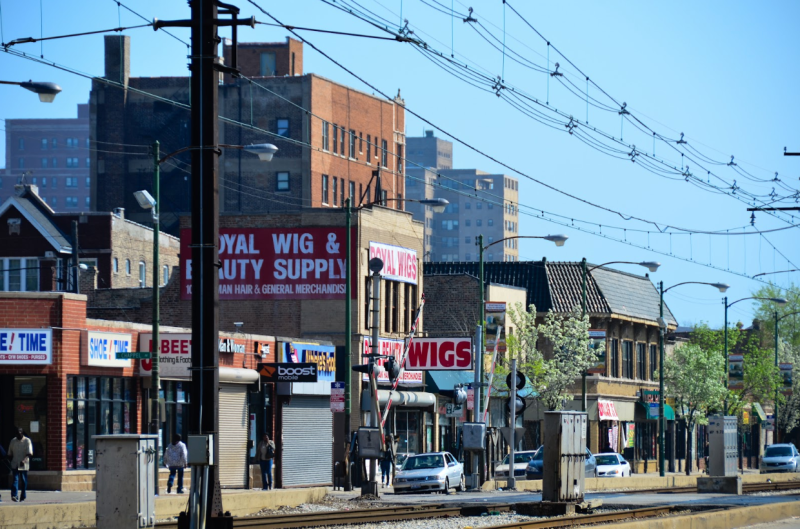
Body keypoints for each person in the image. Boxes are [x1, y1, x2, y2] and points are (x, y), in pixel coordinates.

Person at [8, 428, 33, 502]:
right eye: (17, 434)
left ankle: (23, 495)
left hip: (23, 464)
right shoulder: (13, 441)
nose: (18, 435)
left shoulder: (27, 441)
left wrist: (24, 460)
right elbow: (10, 453)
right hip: (15, 463)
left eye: (19, 434)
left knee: (24, 480)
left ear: (22, 433)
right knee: (15, 479)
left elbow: (29, 453)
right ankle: (14, 495)